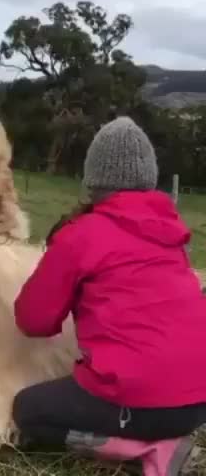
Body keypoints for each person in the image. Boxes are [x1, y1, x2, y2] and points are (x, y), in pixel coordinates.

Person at [12, 117, 206, 475]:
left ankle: (146, 450)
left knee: (28, 411)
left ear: (92, 179)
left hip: (136, 400)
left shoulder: (80, 236)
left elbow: (33, 320)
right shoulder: (173, 236)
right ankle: (165, 438)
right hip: (197, 403)